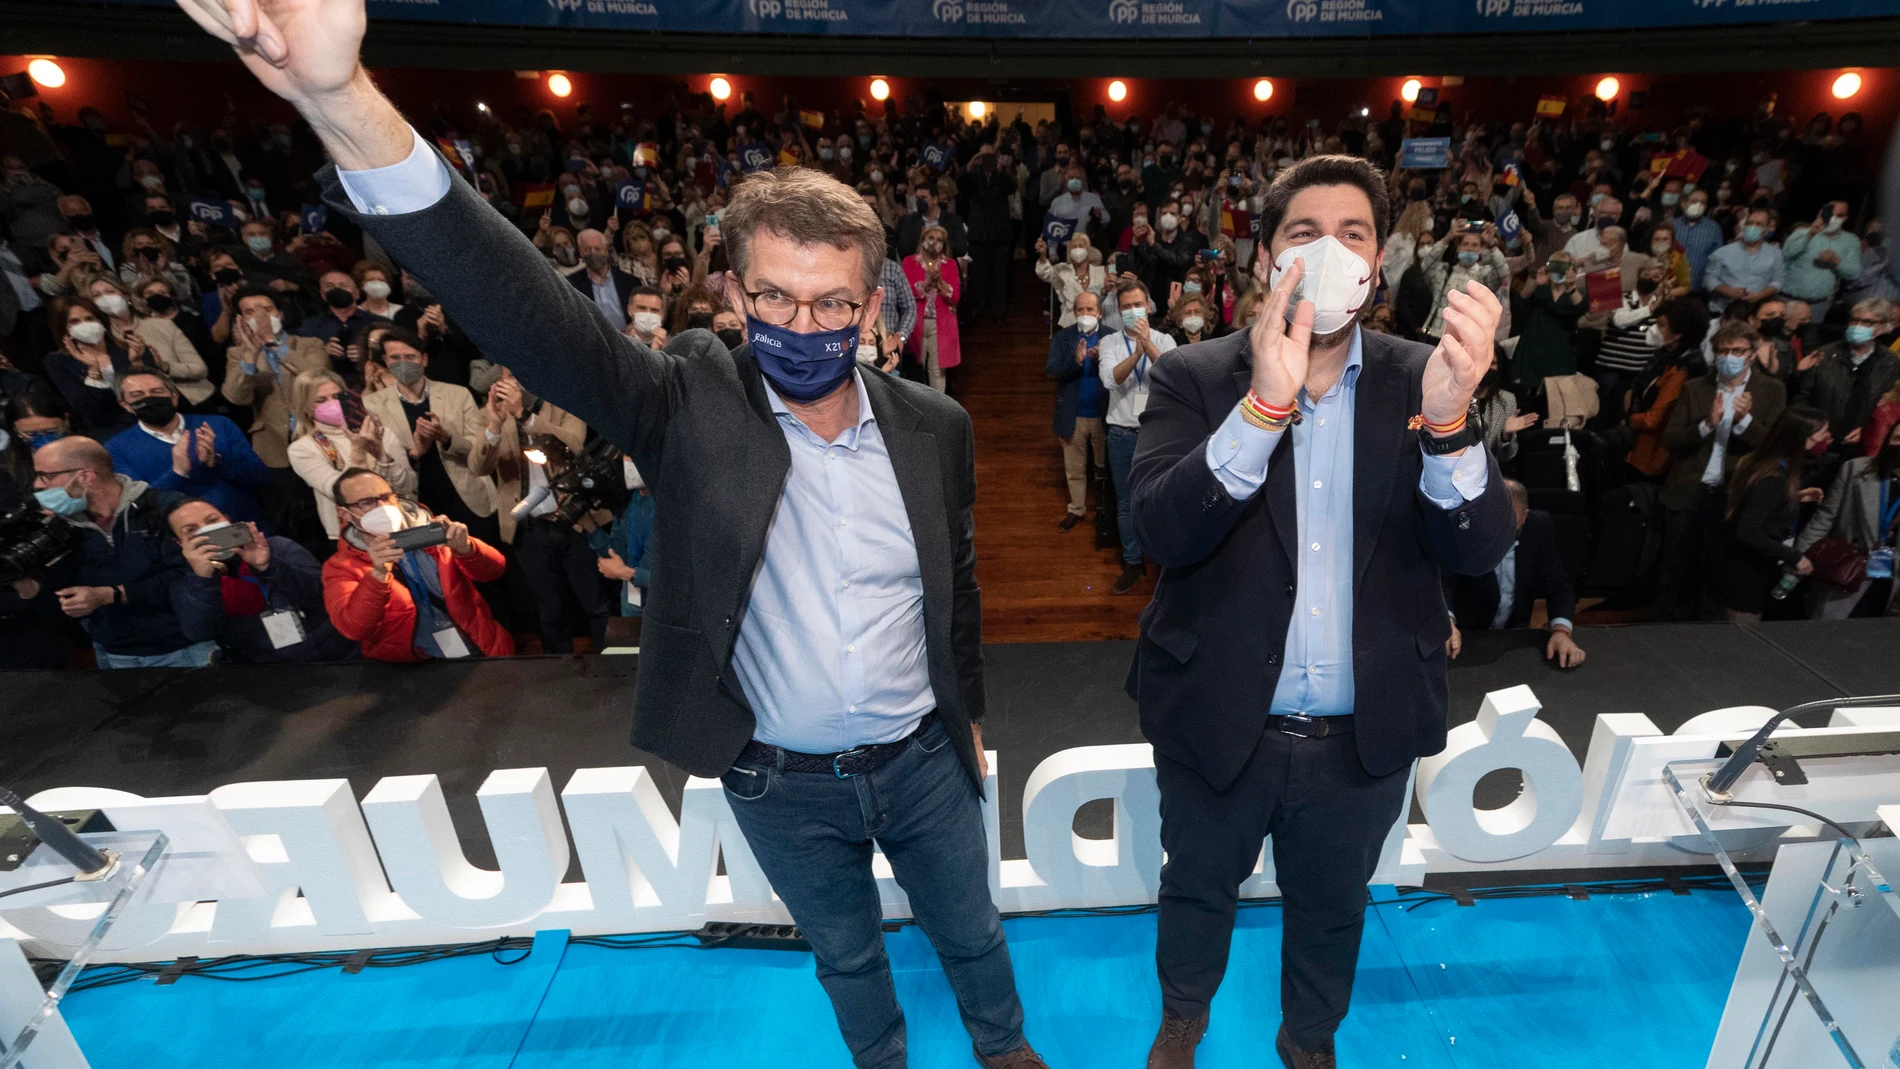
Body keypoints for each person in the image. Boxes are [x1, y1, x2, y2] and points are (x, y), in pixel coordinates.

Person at [231, 12, 1047, 1052]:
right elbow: (529, 312)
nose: (804, 328)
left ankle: (1005, 1046)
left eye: (831, 304)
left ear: (872, 301)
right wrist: (339, 101)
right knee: (845, 956)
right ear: (730, 292)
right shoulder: (684, 403)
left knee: (974, 935)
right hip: (776, 776)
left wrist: (964, 707)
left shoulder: (937, 427)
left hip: (925, 761)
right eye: (774, 300)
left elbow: (957, 583)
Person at [1124, 155, 1512, 1069]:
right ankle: (1183, 1018)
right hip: (1221, 714)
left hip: (1362, 730)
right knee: (1197, 889)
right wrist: (1264, 407)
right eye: (1305, 233)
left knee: (1333, 906)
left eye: (1353, 235)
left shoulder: (1431, 377)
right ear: (1267, 260)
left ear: (1378, 264)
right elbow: (1161, 530)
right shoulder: (1194, 375)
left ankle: (1308, 1041)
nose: (1331, 252)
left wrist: (1451, 425)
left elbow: (1479, 546)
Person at [28, 435, 213, 668]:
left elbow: (190, 577)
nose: (38, 485)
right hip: (112, 653)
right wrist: (27, 584)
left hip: (182, 649)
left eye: (46, 475)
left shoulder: (164, 509)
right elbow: (59, 594)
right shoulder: (61, 527)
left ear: (85, 476)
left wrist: (111, 594)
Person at [467, 361, 604, 653]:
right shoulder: (488, 415)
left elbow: (573, 445)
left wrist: (524, 416)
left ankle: (612, 659)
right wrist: (494, 425)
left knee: (595, 600)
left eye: (521, 375)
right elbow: (478, 467)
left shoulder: (564, 404)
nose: (514, 384)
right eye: (508, 377)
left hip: (574, 518)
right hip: (527, 527)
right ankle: (558, 672)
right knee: (548, 606)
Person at [1654, 322, 1787, 619]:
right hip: (1688, 488)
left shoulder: (1771, 390)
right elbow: (1671, 439)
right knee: (1673, 561)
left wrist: (1744, 421)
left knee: (1714, 567)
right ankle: (1662, 620)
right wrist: (1707, 425)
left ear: (1752, 354)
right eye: (1723, 351)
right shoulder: (1695, 387)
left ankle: (1705, 628)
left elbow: (1774, 445)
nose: (1730, 356)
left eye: (1737, 351)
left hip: (1733, 493)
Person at [320, 467, 513, 661]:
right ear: (343, 513)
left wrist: (467, 548)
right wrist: (378, 575)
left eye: (386, 497)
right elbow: (353, 629)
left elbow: (495, 571)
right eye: (367, 502)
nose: (381, 507)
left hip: (480, 647)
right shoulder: (341, 566)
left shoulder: (430, 530)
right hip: (413, 669)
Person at [166, 497, 354, 662]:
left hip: (335, 653)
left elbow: (322, 597)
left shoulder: (278, 547)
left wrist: (268, 565)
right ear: (179, 542)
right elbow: (200, 632)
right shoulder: (187, 583)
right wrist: (203, 579)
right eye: (191, 530)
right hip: (268, 671)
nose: (206, 531)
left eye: (213, 520)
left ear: (227, 520)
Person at [361, 326, 497, 538]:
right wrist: (415, 451)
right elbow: (377, 460)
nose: (403, 363)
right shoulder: (373, 404)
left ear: (424, 359)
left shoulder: (457, 394)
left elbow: (479, 449)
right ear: (386, 362)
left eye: (410, 356)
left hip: (466, 497)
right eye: (395, 358)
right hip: (417, 503)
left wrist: (446, 437)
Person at [1444, 479, 1586, 667]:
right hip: (1466, 636)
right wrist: (1446, 622)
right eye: (1492, 524)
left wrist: (1561, 632)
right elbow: (1443, 581)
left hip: (1513, 636)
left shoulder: (1539, 527)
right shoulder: (1461, 527)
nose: (1498, 535)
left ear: (1524, 518)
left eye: (1509, 524)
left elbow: (1558, 585)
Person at [104, 368, 269, 524]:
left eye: (157, 392)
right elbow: (138, 506)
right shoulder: (116, 448)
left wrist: (217, 461)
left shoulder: (218, 424)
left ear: (174, 397)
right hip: (181, 541)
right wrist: (177, 473)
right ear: (126, 405)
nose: (149, 399)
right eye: (137, 395)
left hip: (244, 524)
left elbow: (260, 477)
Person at [1715, 405, 1830, 621]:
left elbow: (1754, 503)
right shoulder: (1774, 479)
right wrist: (1796, 558)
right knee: (1740, 637)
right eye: (1822, 433)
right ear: (1803, 437)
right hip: (1746, 572)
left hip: (1741, 565)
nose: (1826, 438)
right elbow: (1748, 531)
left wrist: (1793, 497)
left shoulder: (1764, 463)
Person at [1099, 280, 1175, 597]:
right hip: (1121, 434)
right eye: (1127, 306)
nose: (1133, 311)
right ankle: (1132, 560)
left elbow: (1173, 374)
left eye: (1138, 305)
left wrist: (1147, 344)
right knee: (1126, 503)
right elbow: (1109, 379)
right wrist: (1136, 354)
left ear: (1149, 306)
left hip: (1158, 434)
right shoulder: (1110, 343)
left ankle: (1161, 560)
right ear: (1119, 310)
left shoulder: (1164, 338)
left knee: (1160, 499)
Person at [285, 368, 415, 538]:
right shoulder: (302, 449)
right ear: (307, 408)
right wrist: (358, 452)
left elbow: (408, 486)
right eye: (321, 400)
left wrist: (382, 456)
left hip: (403, 524)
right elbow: (338, 492)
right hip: (353, 535)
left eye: (338, 397)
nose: (333, 403)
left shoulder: (381, 433)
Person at [1794, 419, 1900, 619]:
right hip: (1847, 571)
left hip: (1889, 579)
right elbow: (1825, 517)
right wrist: (1798, 558)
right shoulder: (1856, 469)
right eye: (1897, 438)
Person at [220, 286, 332, 468]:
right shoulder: (237, 354)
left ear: (280, 314)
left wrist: (273, 344)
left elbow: (320, 378)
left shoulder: (310, 344)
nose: (260, 318)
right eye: (250, 312)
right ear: (241, 321)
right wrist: (250, 355)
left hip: (318, 433)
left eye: (267, 309)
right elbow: (236, 397)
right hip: (273, 445)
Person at [87, 273, 214, 409]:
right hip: (148, 410)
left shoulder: (162, 325)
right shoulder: (104, 340)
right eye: (97, 295)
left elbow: (200, 369)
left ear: (126, 296)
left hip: (195, 401)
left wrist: (164, 366)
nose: (105, 298)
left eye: (110, 291)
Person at [1625, 298, 1713, 480]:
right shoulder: (1666, 356)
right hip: (1641, 445)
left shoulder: (1682, 370)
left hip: (1651, 453)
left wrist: (1629, 419)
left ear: (1678, 333)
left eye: (1661, 325)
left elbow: (1653, 420)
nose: (1655, 329)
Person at [1794, 297, 1899, 444]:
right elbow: (1801, 397)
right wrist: (1814, 430)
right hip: (1816, 440)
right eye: (1854, 320)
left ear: (1883, 327)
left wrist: (1868, 429)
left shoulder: (1890, 362)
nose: (1858, 326)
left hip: (1859, 442)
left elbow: (1887, 405)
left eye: (1867, 322)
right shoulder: (1825, 354)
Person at [1045, 289, 1107, 532]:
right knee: (1075, 469)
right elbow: (1051, 369)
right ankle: (1076, 510)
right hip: (1073, 415)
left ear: (1099, 313)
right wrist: (1077, 360)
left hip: (1103, 416)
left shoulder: (1111, 337)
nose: (1085, 314)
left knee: (1103, 469)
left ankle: (1104, 512)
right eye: (1080, 309)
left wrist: (1103, 358)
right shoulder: (1063, 338)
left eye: (1089, 309)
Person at [43, 294, 140, 438]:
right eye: (74, 322)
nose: (85, 325)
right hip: (113, 433)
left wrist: (138, 360)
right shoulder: (59, 361)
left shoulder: (126, 349)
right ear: (63, 329)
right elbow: (89, 410)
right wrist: (94, 369)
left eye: (89, 318)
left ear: (100, 320)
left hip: (151, 421)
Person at [1779, 201, 1862, 324]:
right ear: (1820, 213)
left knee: (1809, 341)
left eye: (1838, 216)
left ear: (1844, 218)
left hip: (1817, 306)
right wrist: (1810, 234)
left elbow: (1854, 273)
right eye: (1829, 214)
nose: (1833, 218)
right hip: (1786, 300)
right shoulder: (1801, 233)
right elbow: (1786, 255)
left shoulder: (1851, 241)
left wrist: (1836, 262)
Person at [903, 223, 961, 394]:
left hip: (940, 324)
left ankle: (938, 411)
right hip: (916, 323)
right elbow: (907, 292)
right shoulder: (909, 262)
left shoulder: (949, 264)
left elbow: (955, 295)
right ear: (923, 240)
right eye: (930, 238)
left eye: (939, 240)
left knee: (936, 371)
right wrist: (928, 282)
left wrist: (939, 281)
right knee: (917, 369)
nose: (934, 242)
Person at [1704, 209, 1784, 315]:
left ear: (1767, 229)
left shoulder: (1775, 253)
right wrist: (1727, 290)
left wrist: (1762, 294)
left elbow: (1777, 281)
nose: (1753, 227)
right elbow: (1709, 278)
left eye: (1759, 224)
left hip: (1756, 311)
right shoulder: (1723, 251)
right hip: (1724, 310)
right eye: (1749, 223)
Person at [567, 228, 637, 332]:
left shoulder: (630, 282)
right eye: (587, 249)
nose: (593, 253)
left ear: (606, 250)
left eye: (597, 248)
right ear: (580, 253)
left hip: (628, 340)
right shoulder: (571, 285)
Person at [1032, 232, 1105, 329]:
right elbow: (1044, 273)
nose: (1077, 249)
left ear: (1088, 249)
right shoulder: (1062, 270)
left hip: (1096, 322)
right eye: (1074, 246)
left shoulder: (1101, 272)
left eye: (1081, 246)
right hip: (1070, 322)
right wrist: (1043, 255)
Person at [295, 268, 379, 348]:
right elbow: (302, 356)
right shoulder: (311, 326)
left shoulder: (377, 322)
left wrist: (365, 353)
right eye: (329, 286)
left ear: (356, 293)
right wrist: (323, 351)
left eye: (343, 285)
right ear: (323, 295)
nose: (337, 289)